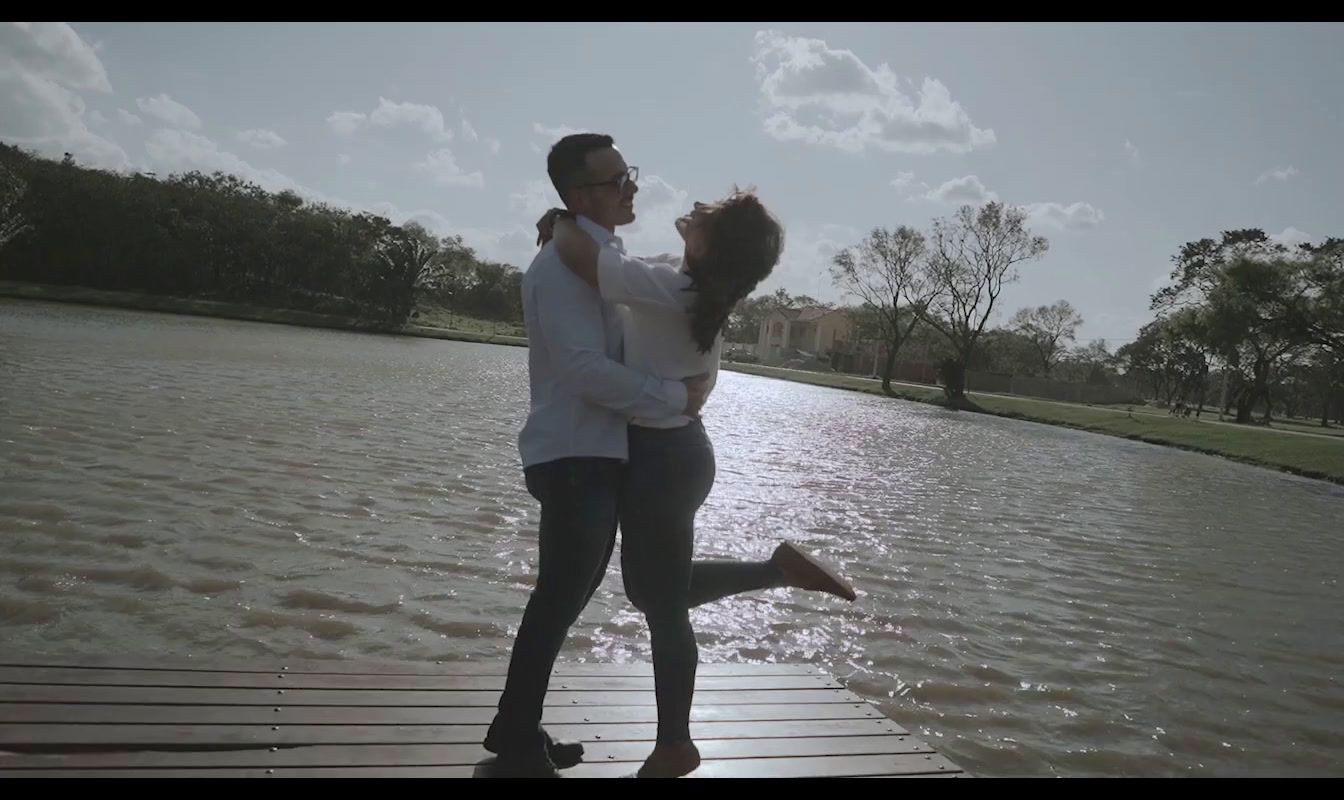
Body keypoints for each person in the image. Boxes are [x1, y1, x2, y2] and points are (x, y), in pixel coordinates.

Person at [541, 185, 857, 778]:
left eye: (710, 212)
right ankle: (776, 570)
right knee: (652, 592)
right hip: (671, 455)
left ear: (713, 244)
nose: (698, 206)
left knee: (662, 606)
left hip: (664, 459)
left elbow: (583, 258)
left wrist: (565, 217)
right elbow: (615, 263)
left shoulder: (674, 287)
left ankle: (675, 744)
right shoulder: (680, 281)